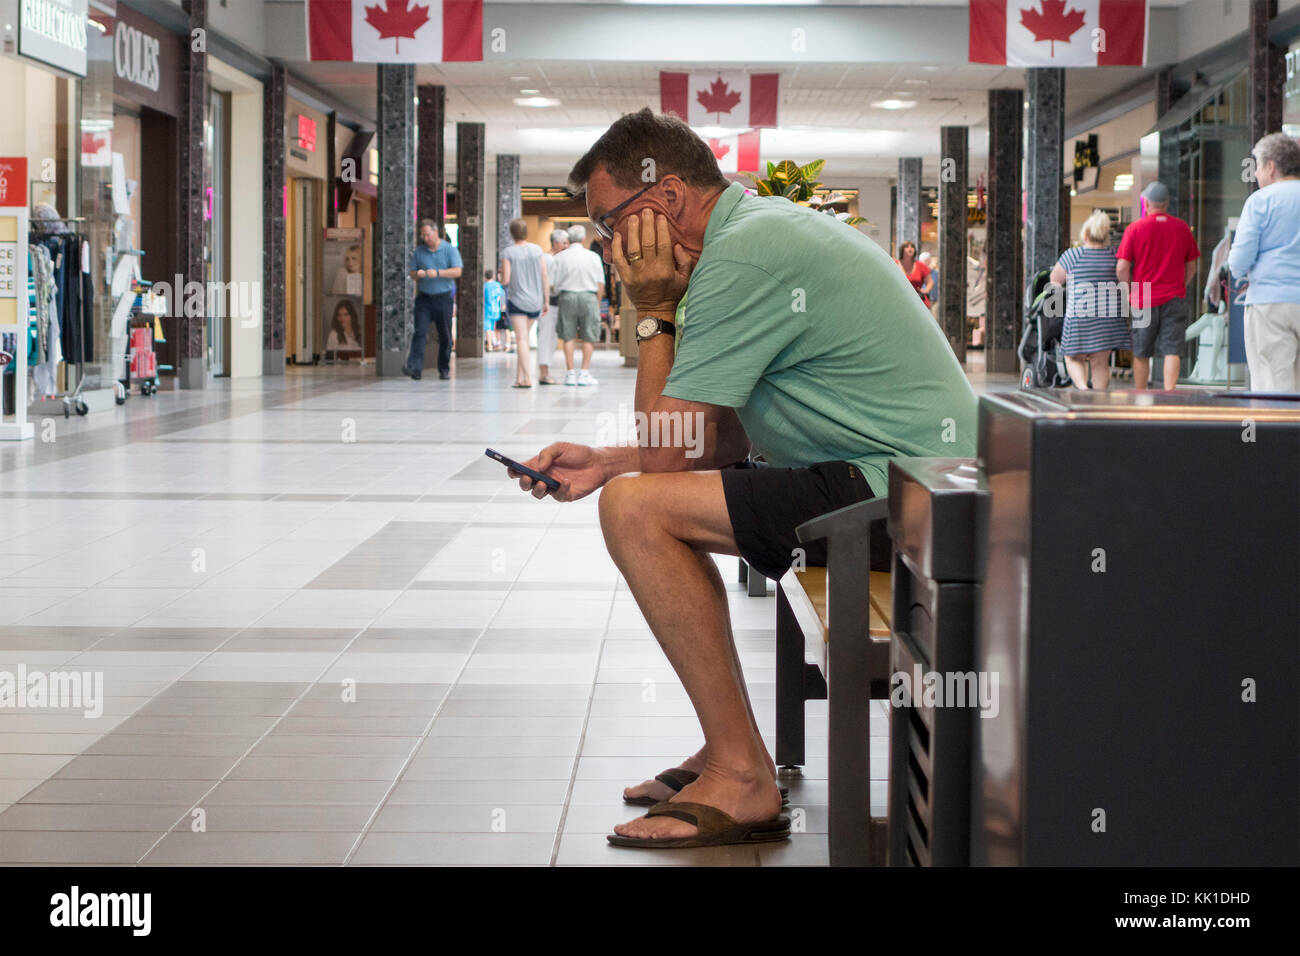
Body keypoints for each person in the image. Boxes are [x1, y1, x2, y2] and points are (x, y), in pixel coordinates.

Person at [510, 109, 977, 848]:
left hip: (906, 503)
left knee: (638, 513)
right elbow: (715, 436)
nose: (604, 245)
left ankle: (744, 775)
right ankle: (730, 748)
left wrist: (654, 311)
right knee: (641, 494)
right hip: (909, 485)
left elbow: (670, 459)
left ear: (661, 201)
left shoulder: (744, 257)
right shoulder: (749, 238)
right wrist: (606, 460)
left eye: (607, 223)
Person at [1227, 132, 1300, 392]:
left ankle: (1280, 434)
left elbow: (1239, 261)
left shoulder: (1260, 201)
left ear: (1271, 166)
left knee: (1274, 386)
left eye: (1257, 166)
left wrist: (1243, 272)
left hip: (1270, 302)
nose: (1255, 174)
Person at [1116, 182, 1200, 390]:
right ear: (1167, 203)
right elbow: (1192, 267)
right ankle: (1169, 396)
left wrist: (1129, 290)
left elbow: (1121, 268)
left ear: (1145, 202)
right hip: (1174, 296)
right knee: (1172, 349)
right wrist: (1180, 285)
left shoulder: (1135, 229)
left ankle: (1141, 395)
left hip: (1143, 297)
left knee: (1142, 351)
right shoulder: (1182, 228)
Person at [1050, 211, 1129, 390]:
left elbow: (1055, 280)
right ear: (1105, 236)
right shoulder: (1114, 255)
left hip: (1080, 316)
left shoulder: (1073, 256)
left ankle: (1083, 390)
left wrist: (1060, 302)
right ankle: (1097, 399)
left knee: (1073, 357)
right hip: (1108, 318)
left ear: (1085, 234)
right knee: (1100, 361)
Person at [406, 220, 462, 381]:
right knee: (420, 332)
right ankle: (415, 368)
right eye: (423, 235)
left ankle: (444, 368)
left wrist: (437, 273)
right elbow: (412, 273)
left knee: (444, 335)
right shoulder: (419, 252)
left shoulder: (449, 250)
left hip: (443, 298)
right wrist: (419, 274)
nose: (425, 238)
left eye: (427, 234)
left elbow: (457, 271)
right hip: (424, 298)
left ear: (436, 232)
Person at [553, 224, 606, 385]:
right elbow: (600, 283)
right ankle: (584, 373)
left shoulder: (560, 257)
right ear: (583, 239)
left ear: (569, 239)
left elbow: (555, 283)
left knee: (568, 336)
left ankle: (570, 374)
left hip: (567, 296)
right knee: (588, 336)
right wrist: (596, 303)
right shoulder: (593, 257)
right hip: (588, 297)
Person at [500, 219, 549, 388]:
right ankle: (519, 378)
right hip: (535, 301)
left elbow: (505, 280)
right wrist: (546, 300)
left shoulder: (508, 252)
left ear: (512, 233)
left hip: (518, 301)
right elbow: (544, 275)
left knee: (521, 339)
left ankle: (528, 378)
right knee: (525, 339)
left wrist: (500, 277)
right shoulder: (537, 250)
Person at [538, 229, 569, 383]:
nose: (567, 246)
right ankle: (544, 373)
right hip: (549, 305)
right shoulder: (550, 260)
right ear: (556, 243)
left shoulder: (550, 258)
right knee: (547, 338)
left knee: (550, 339)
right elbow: (549, 284)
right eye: (564, 243)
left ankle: (545, 372)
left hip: (551, 304)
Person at [897, 240, 933, 306]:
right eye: (907, 247)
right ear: (902, 250)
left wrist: (926, 290)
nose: (910, 248)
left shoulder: (921, 266)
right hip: (899, 300)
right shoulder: (894, 264)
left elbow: (930, 282)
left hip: (917, 301)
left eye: (912, 247)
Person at [483, 270, 506, 351]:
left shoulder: (485, 286)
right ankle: (495, 343)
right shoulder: (497, 285)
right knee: (493, 327)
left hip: (487, 309)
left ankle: (489, 345)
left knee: (488, 328)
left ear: (485, 277)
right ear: (493, 276)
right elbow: (501, 296)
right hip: (496, 309)